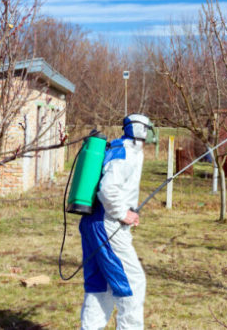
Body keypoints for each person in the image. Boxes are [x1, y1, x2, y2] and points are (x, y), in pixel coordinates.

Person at [79, 114, 152, 329]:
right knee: (132, 283)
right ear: (141, 131)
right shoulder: (126, 153)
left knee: (100, 286)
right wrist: (122, 213)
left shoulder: (117, 148)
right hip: (107, 224)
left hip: (94, 222)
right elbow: (108, 188)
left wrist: (126, 212)